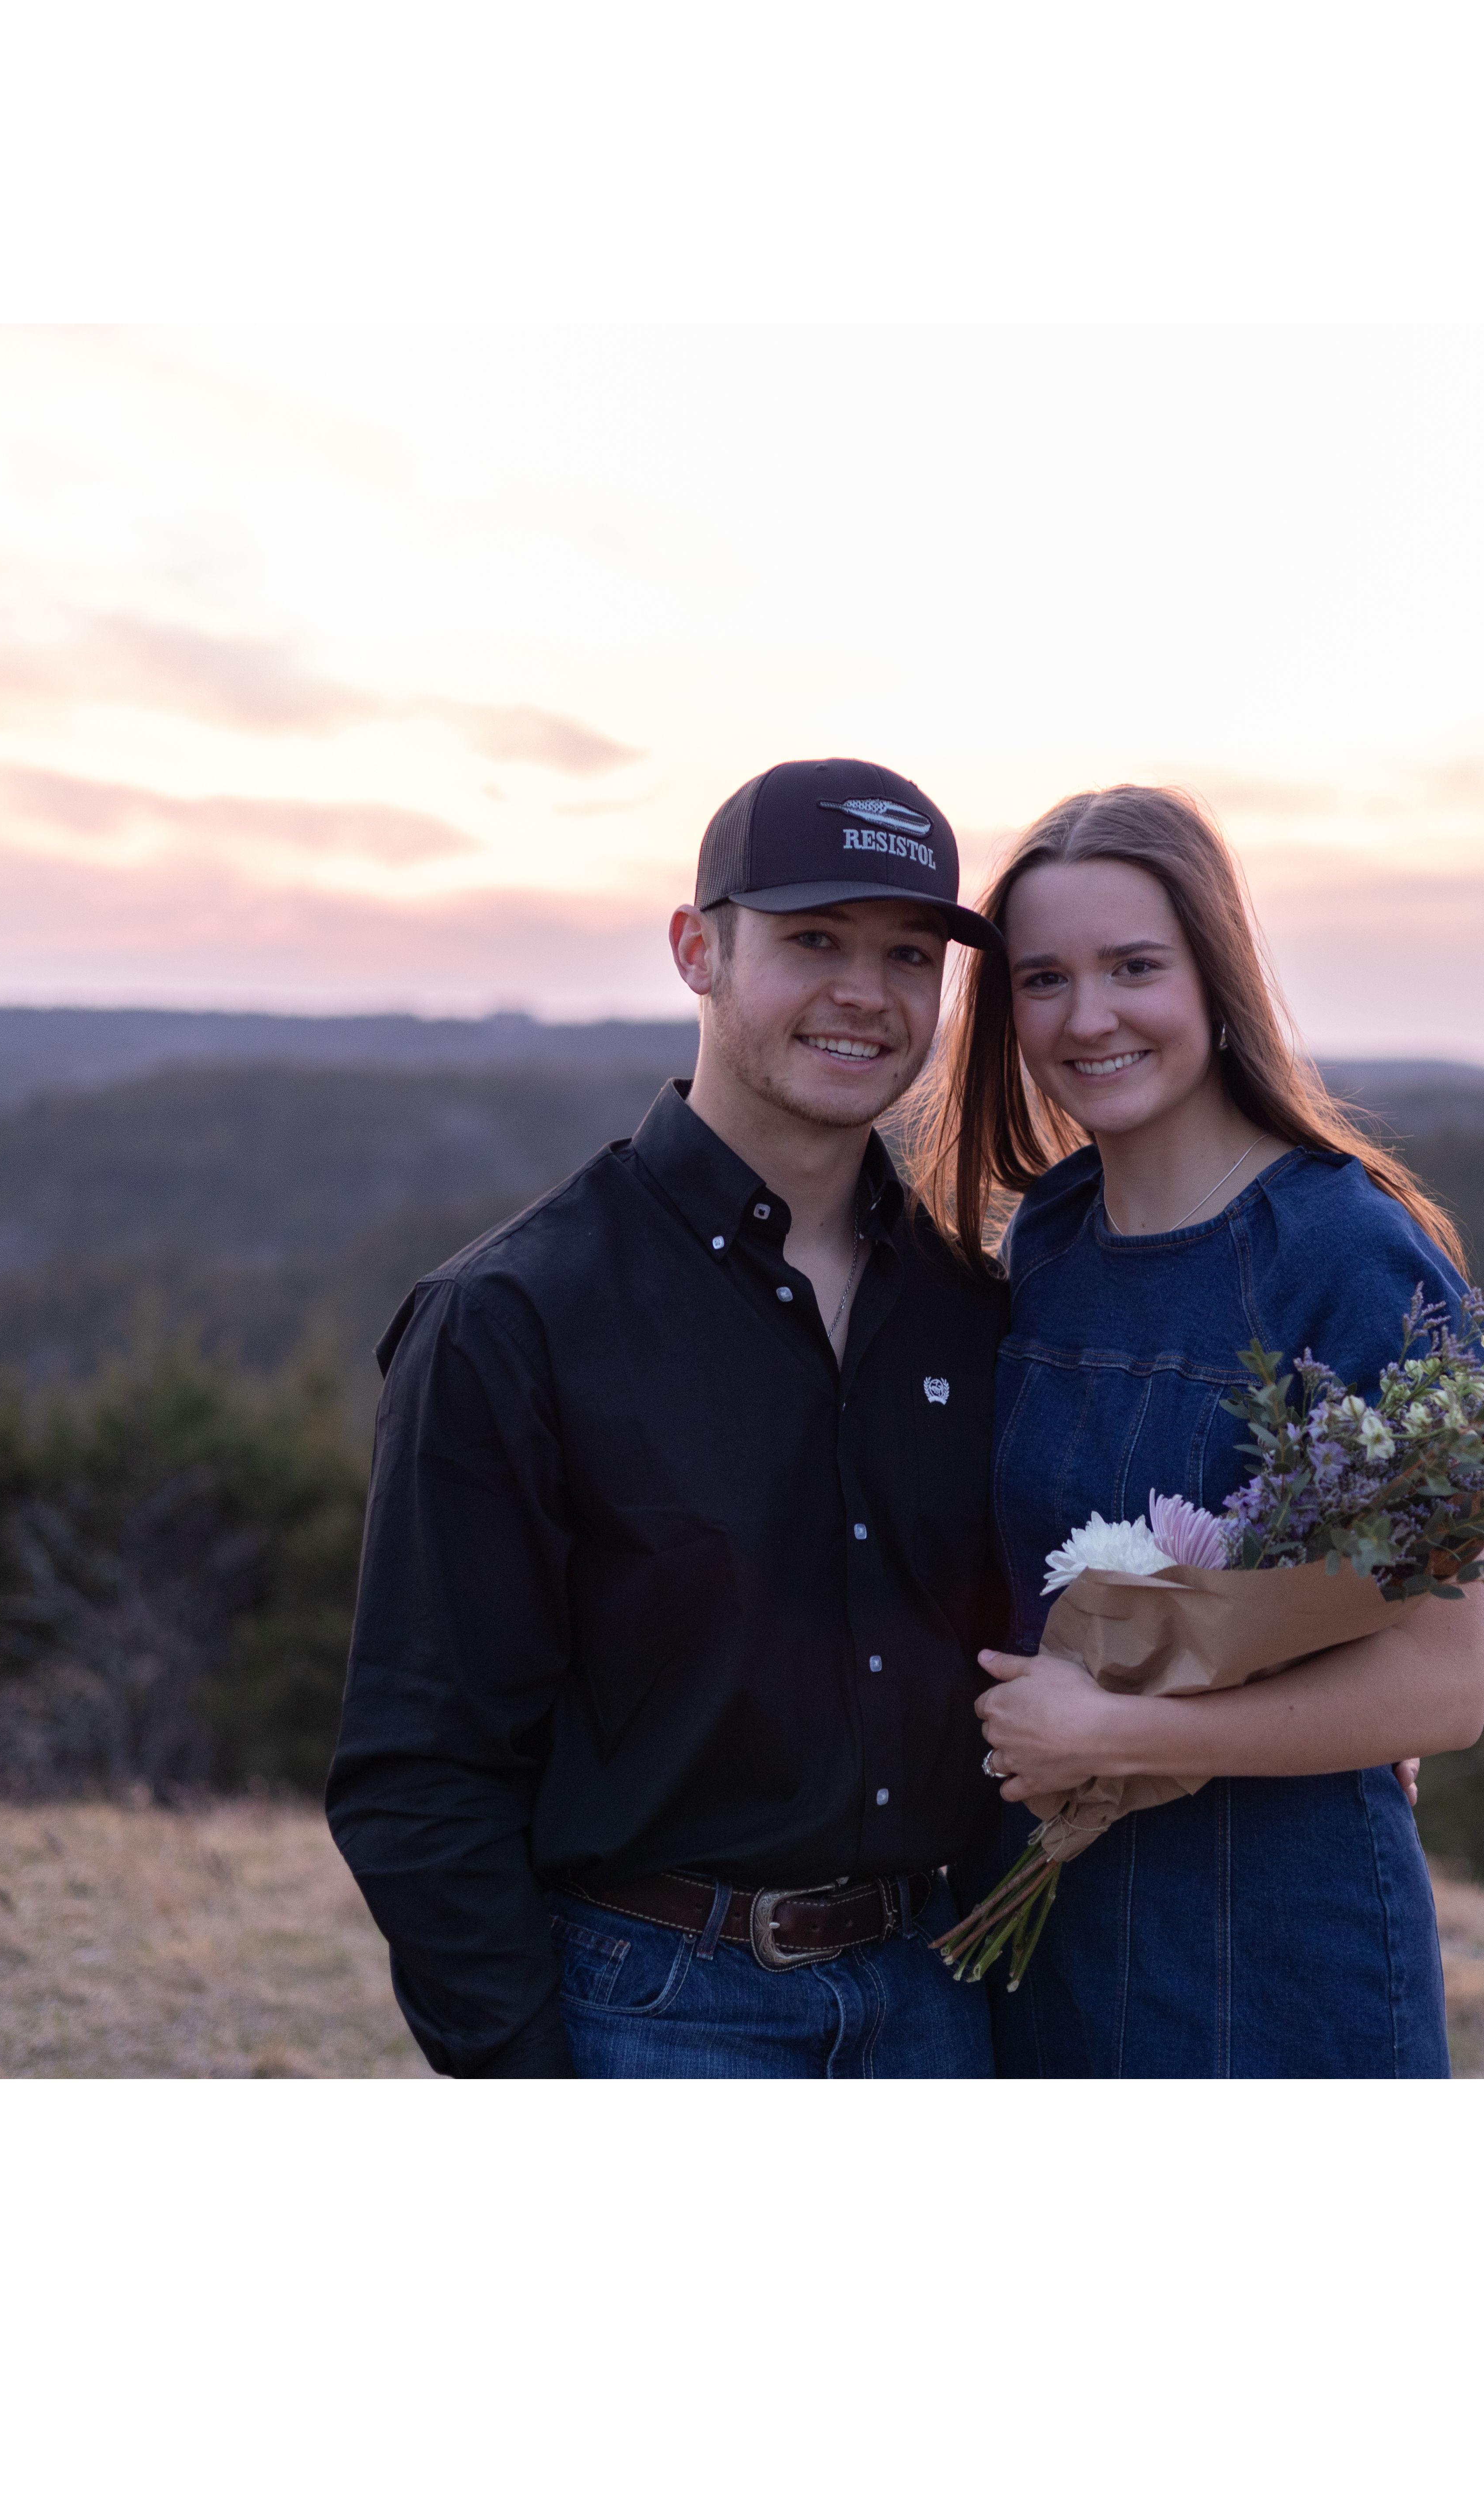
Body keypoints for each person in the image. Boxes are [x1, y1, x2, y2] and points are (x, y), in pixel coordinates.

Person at [327, 759, 1010, 2078]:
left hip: (938, 2000)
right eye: (815, 941)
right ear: (698, 950)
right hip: (654, 2010)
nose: (866, 993)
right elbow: (420, 1769)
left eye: (909, 955)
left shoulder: (967, 1312)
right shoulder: (514, 1317)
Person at [910, 785, 1484, 2078]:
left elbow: (1445, 1687)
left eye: (1135, 967)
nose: (1089, 1017)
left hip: (1281, 1935)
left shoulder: (1352, 1258)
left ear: (1216, 976)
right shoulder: (1050, 1239)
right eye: (1046, 979)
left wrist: (1125, 1735)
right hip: (1054, 1918)